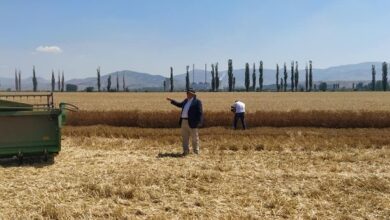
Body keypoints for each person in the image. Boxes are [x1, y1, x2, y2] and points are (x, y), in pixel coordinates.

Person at [166, 88, 203, 155]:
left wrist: (198, 123)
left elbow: (200, 113)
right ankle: (185, 151)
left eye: (188, 93)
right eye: (186, 93)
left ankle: (196, 151)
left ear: (192, 94)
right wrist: (172, 101)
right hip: (183, 121)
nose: (186, 94)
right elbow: (180, 104)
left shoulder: (197, 102)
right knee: (185, 137)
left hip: (192, 122)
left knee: (194, 138)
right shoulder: (186, 101)